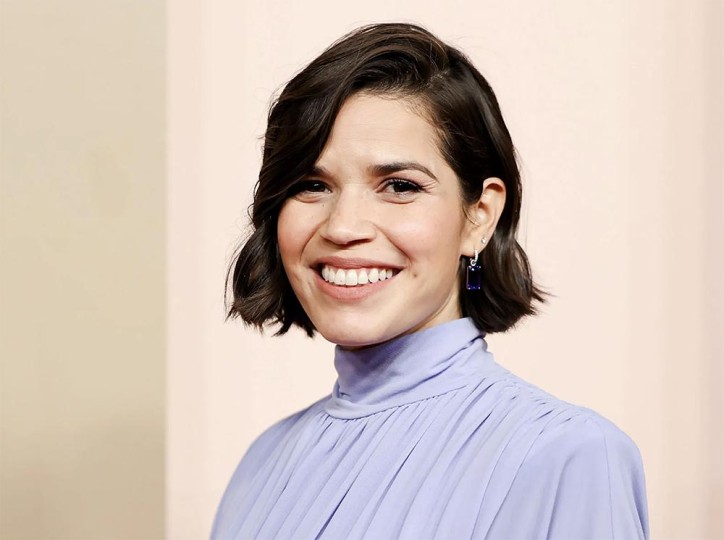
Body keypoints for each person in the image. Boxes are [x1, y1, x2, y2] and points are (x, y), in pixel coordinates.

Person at [212, 23, 649, 540]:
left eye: (399, 186)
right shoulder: (263, 463)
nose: (342, 227)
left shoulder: (567, 457)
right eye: (311, 185)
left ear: (479, 216)